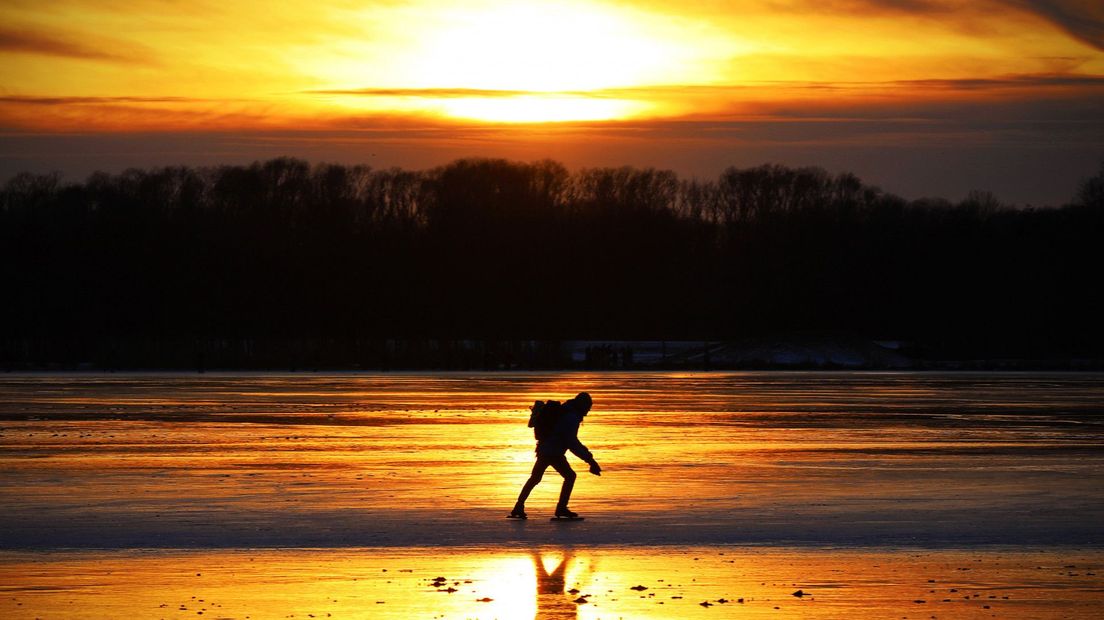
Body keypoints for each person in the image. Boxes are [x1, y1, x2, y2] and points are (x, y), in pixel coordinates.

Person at [510, 392, 601, 519]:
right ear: (582, 405)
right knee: (569, 476)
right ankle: (561, 508)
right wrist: (590, 460)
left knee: (535, 478)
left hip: (544, 449)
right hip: (553, 452)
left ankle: (518, 506)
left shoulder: (567, 412)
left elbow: (569, 441)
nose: (588, 410)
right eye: (588, 407)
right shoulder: (571, 417)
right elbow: (571, 442)